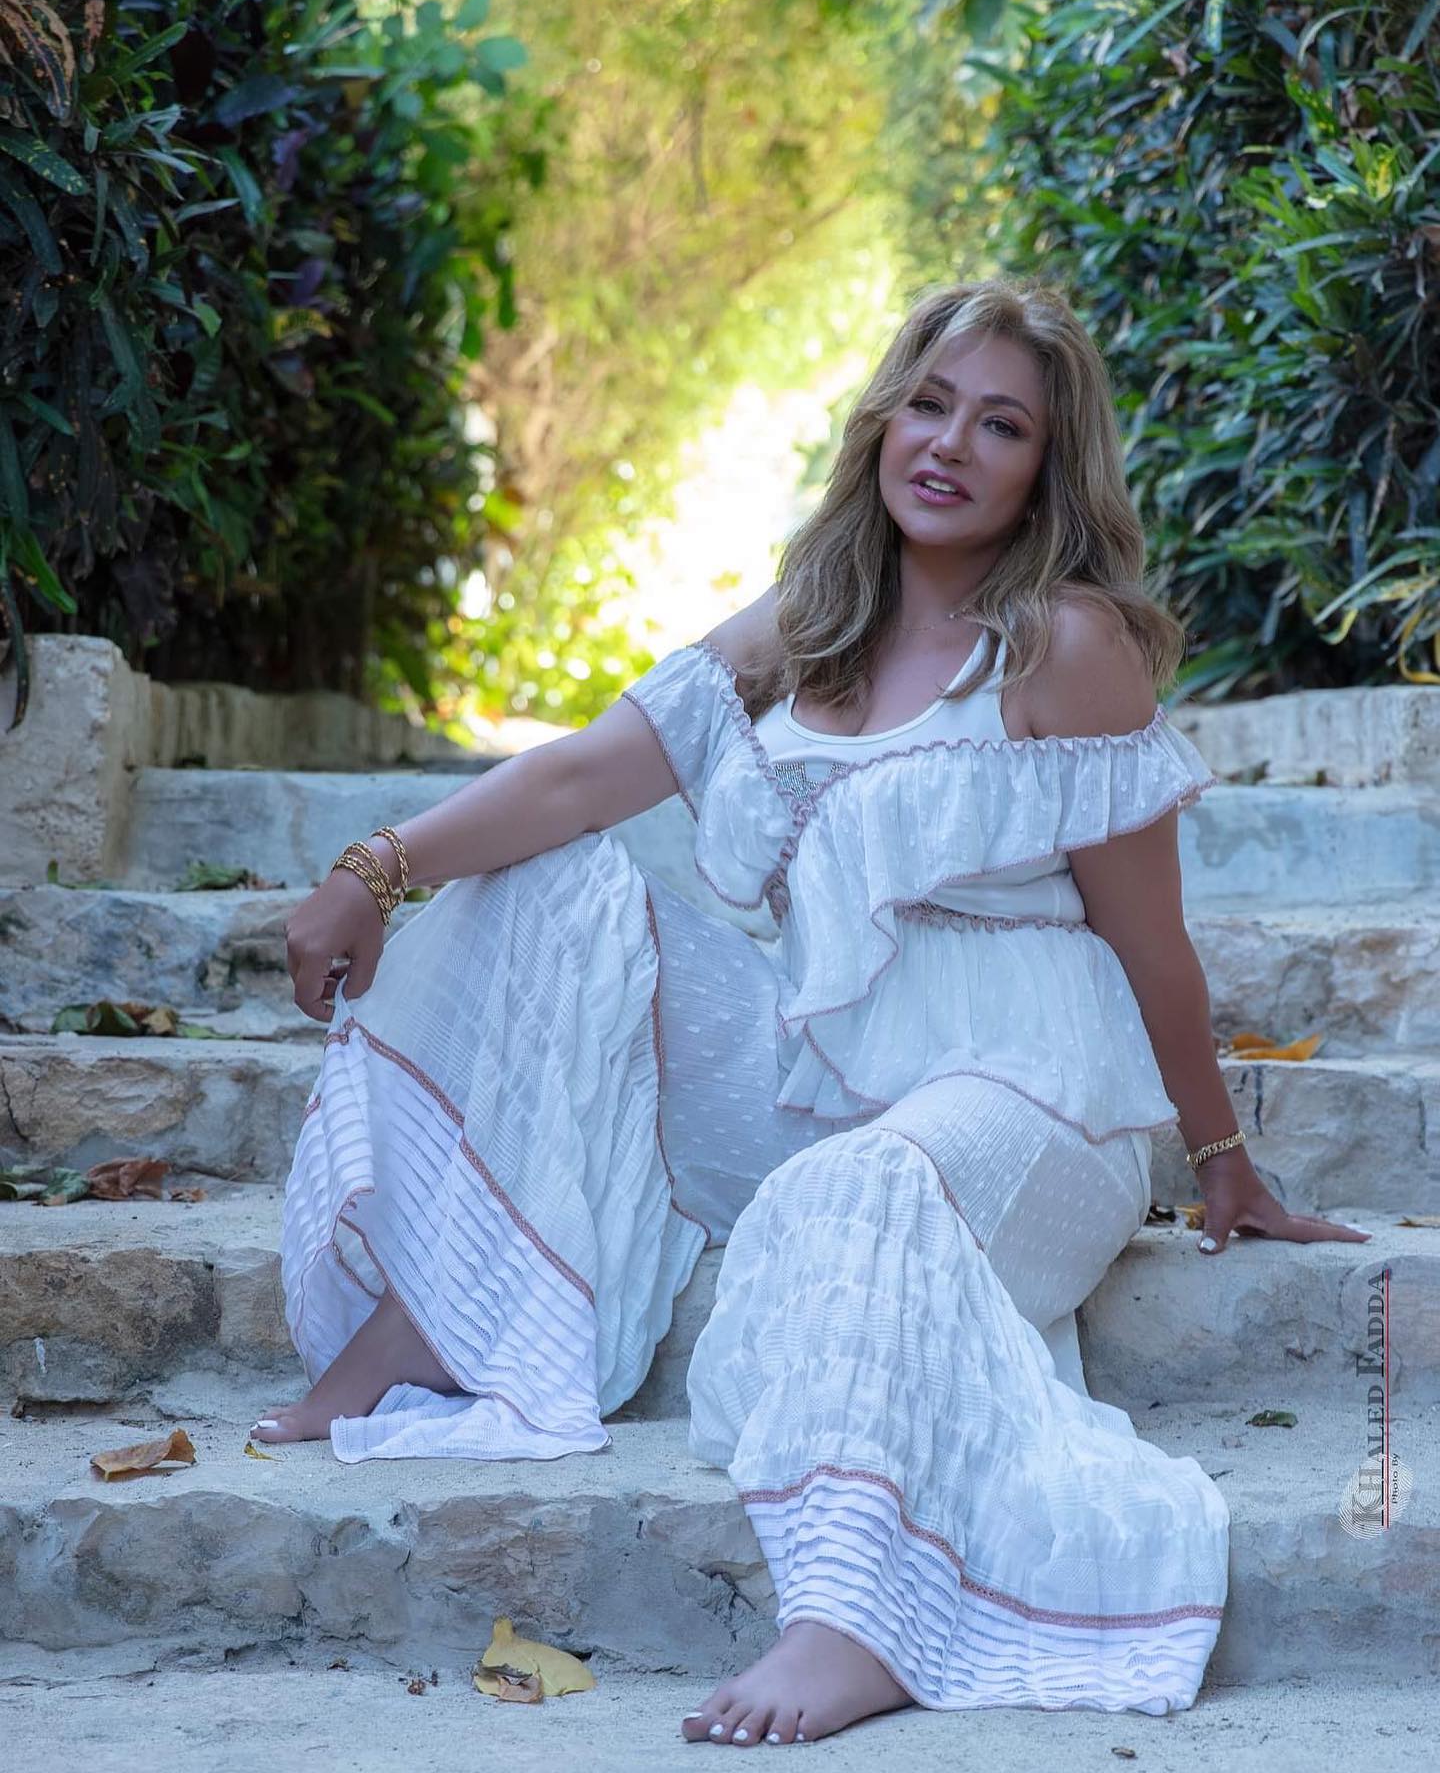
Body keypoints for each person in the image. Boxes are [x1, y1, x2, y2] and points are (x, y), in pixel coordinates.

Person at [252, 277, 1371, 1746]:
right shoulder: (811, 622)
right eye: (930, 404)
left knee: (864, 1187)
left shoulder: (1066, 646)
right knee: (553, 882)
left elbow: (1150, 945)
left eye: (1002, 425)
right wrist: (374, 870)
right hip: (819, 1076)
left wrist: (1219, 1156)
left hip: (1025, 1093)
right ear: (882, 419)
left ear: (1049, 469)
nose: (950, 444)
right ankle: (442, 1309)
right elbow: (582, 774)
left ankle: (856, 1616)